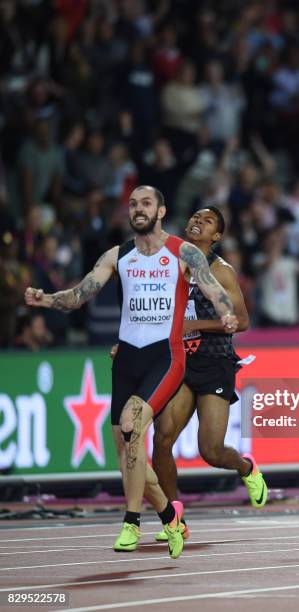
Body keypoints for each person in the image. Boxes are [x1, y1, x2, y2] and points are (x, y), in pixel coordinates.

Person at [24, 185, 238, 558]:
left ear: (161, 211)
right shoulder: (118, 256)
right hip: (127, 359)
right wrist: (46, 299)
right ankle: (170, 515)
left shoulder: (182, 252)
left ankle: (131, 521)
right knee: (125, 451)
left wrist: (226, 312)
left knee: (133, 423)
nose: (139, 209)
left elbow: (212, 286)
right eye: (133, 204)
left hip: (166, 357)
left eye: (147, 203)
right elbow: (80, 294)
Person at [112, 206, 268, 542]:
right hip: (177, 361)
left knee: (210, 451)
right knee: (162, 439)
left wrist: (193, 325)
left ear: (217, 237)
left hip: (214, 363)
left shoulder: (221, 271)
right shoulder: (168, 264)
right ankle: (173, 517)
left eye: (208, 221)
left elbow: (241, 321)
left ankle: (247, 468)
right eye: (196, 217)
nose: (198, 222)